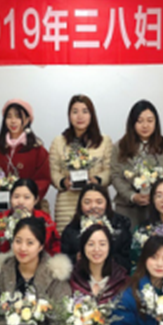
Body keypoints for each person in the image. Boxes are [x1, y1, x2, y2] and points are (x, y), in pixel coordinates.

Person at [0, 99, 51, 225]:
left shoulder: (38, 150)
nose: (13, 121)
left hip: (27, 212)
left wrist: (26, 197)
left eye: (18, 117)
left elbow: (43, 180)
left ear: (27, 120)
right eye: (9, 116)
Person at [111, 100, 163, 229]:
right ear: (132, 123)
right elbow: (115, 176)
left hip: (159, 208)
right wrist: (132, 196)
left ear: (156, 123)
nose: (145, 125)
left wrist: (157, 196)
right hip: (128, 208)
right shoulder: (119, 147)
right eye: (140, 121)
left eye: (150, 120)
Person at [49, 95, 113, 232]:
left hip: (95, 203)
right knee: (67, 241)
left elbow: (109, 170)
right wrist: (63, 182)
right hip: (67, 204)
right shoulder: (59, 141)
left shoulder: (104, 141)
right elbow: (53, 171)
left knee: (96, 240)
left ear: (91, 115)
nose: (80, 116)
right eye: (75, 111)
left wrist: (97, 180)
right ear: (69, 115)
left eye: (85, 111)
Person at [60, 184, 132, 272]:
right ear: (80, 205)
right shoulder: (71, 230)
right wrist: (76, 258)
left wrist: (108, 258)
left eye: (99, 202)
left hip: (114, 275)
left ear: (107, 204)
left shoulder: (120, 226)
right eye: (87, 202)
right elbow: (64, 260)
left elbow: (127, 260)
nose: (93, 206)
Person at [0, 178, 60, 256]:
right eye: (16, 197)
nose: (20, 202)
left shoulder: (45, 220)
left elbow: (54, 250)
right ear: (10, 198)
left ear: (36, 200)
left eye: (26, 197)